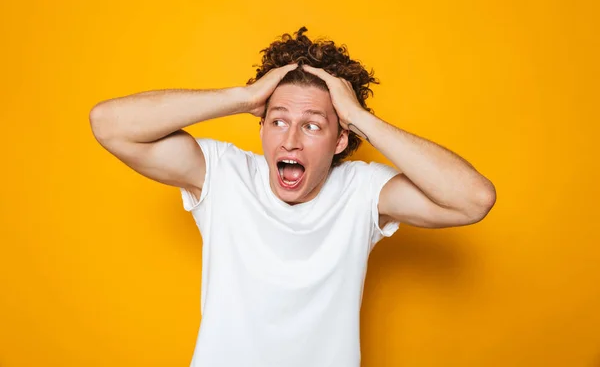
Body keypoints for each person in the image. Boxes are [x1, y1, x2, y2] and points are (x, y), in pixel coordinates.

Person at [89, 27, 496, 367]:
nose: (290, 141)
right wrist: (245, 97)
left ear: (341, 140)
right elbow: (107, 124)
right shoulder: (223, 175)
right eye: (278, 121)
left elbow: (473, 199)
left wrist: (358, 117)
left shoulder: (362, 191)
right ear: (262, 125)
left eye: (313, 126)